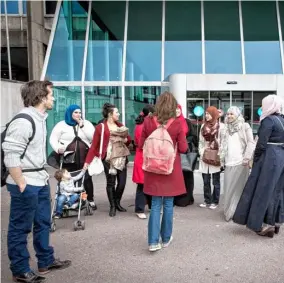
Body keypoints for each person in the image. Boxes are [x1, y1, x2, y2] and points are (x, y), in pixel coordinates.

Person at [2, 80, 71, 283]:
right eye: (51, 94)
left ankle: (45, 261)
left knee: (43, 222)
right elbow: (11, 154)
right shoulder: (24, 120)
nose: (53, 98)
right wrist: (21, 182)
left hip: (39, 180)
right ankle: (20, 269)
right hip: (26, 182)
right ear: (41, 97)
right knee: (20, 228)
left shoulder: (40, 118)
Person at [139, 92, 188, 252]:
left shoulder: (148, 121)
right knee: (168, 204)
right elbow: (183, 148)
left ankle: (153, 242)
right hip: (170, 168)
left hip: (153, 168)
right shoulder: (177, 124)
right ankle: (166, 238)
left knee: (155, 204)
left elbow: (140, 144)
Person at [233, 95, 284, 238]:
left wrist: (255, 162)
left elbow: (261, 144)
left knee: (262, 190)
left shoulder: (268, 121)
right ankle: (275, 221)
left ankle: (261, 224)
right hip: (281, 157)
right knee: (278, 190)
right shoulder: (282, 119)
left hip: (269, 158)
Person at [84, 103, 131, 217]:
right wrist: (87, 162)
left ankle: (117, 201)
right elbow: (94, 145)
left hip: (121, 157)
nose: (118, 114)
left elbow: (128, 140)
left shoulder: (120, 125)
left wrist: (126, 140)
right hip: (108, 159)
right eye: (117, 112)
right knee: (111, 183)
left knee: (122, 183)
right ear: (110, 114)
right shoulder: (101, 127)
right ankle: (113, 206)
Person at [49, 105, 96, 209]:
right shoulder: (61, 125)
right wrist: (58, 148)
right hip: (69, 159)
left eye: (79, 112)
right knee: (69, 179)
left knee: (87, 179)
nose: (78, 114)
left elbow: (93, 138)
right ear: (70, 113)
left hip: (84, 157)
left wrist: (82, 126)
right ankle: (72, 200)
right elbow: (53, 139)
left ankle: (89, 199)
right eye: (75, 112)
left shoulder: (86, 123)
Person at [221, 106, 255, 222]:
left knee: (239, 189)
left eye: (232, 114)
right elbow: (222, 145)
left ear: (237, 115)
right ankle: (228, 210)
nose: (229, 116)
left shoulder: (244, 126)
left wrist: (247, 158)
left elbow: (251, 142)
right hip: (228, 162)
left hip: (241, 162)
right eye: (228, 114)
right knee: (228, 188)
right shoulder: (225, 128)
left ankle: (235, 213)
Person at [198, 106, 225, 209]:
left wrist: (220, 155)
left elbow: (223, 142)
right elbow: (200, 141)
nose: (206, 116)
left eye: (208, 114)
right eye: (205, 114)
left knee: (216, 181)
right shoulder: (203, 126)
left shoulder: (221, 127)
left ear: (214, 114)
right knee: (205, 180)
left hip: (216, 155)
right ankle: (207, 200)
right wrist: (202, 152)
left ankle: (215, 201)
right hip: (205, 155)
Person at [132, 105, 155, 219]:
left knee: (148, 183)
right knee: (142, 184)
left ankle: (149, 206)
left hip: (143, 156)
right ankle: (139, 208)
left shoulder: (140, 124)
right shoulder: (143, 126)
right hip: (143, 156)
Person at [174, 105, 197, 207]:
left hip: (185, 152)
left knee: (187, 175)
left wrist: (184, 140)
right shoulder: (171, 121)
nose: (177, 111)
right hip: (175, 153)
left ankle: (187, 198)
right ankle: (176, 198)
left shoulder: (187, 122)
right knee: (176, 177)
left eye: (178, 109)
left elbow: (193, 136)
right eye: (175, 109)